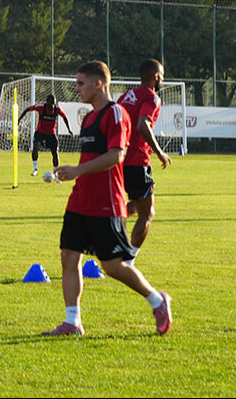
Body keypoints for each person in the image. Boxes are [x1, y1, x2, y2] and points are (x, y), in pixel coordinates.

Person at [44, 60, 171, 337]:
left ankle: (157, 300)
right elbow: (92, 158)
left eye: (80, 84)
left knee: (113, 266)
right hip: (80, 200)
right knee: (69, 256)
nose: (76, 89)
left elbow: (117, 156)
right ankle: (72, 321)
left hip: (106, 203)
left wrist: (77, 170)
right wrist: (71, 173)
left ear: (98, 84)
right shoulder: (88, 118)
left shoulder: (117, 114)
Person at [117, 59, 172, 262]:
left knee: (136, 204)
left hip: (118, 159)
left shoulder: (126, 96)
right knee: (147, 213)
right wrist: (159, 152)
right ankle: (128, 261)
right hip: (136, 160)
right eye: (162, 76)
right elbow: (143, 124)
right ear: (155, 76)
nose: (162, 80)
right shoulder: (152, 97)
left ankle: (110, 221)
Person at [19, 94, 72, 175]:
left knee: (55, 153)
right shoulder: (40, 107)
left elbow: (64, 117)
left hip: (51, 133)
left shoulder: (57, 109)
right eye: (51, 103)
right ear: (47, 102)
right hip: (40, 132)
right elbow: (27, 109)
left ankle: (55, 173)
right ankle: (35, 169)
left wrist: (69, 129)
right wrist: (19, 120)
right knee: (36, 146)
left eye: (54, 103)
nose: (52, 105)